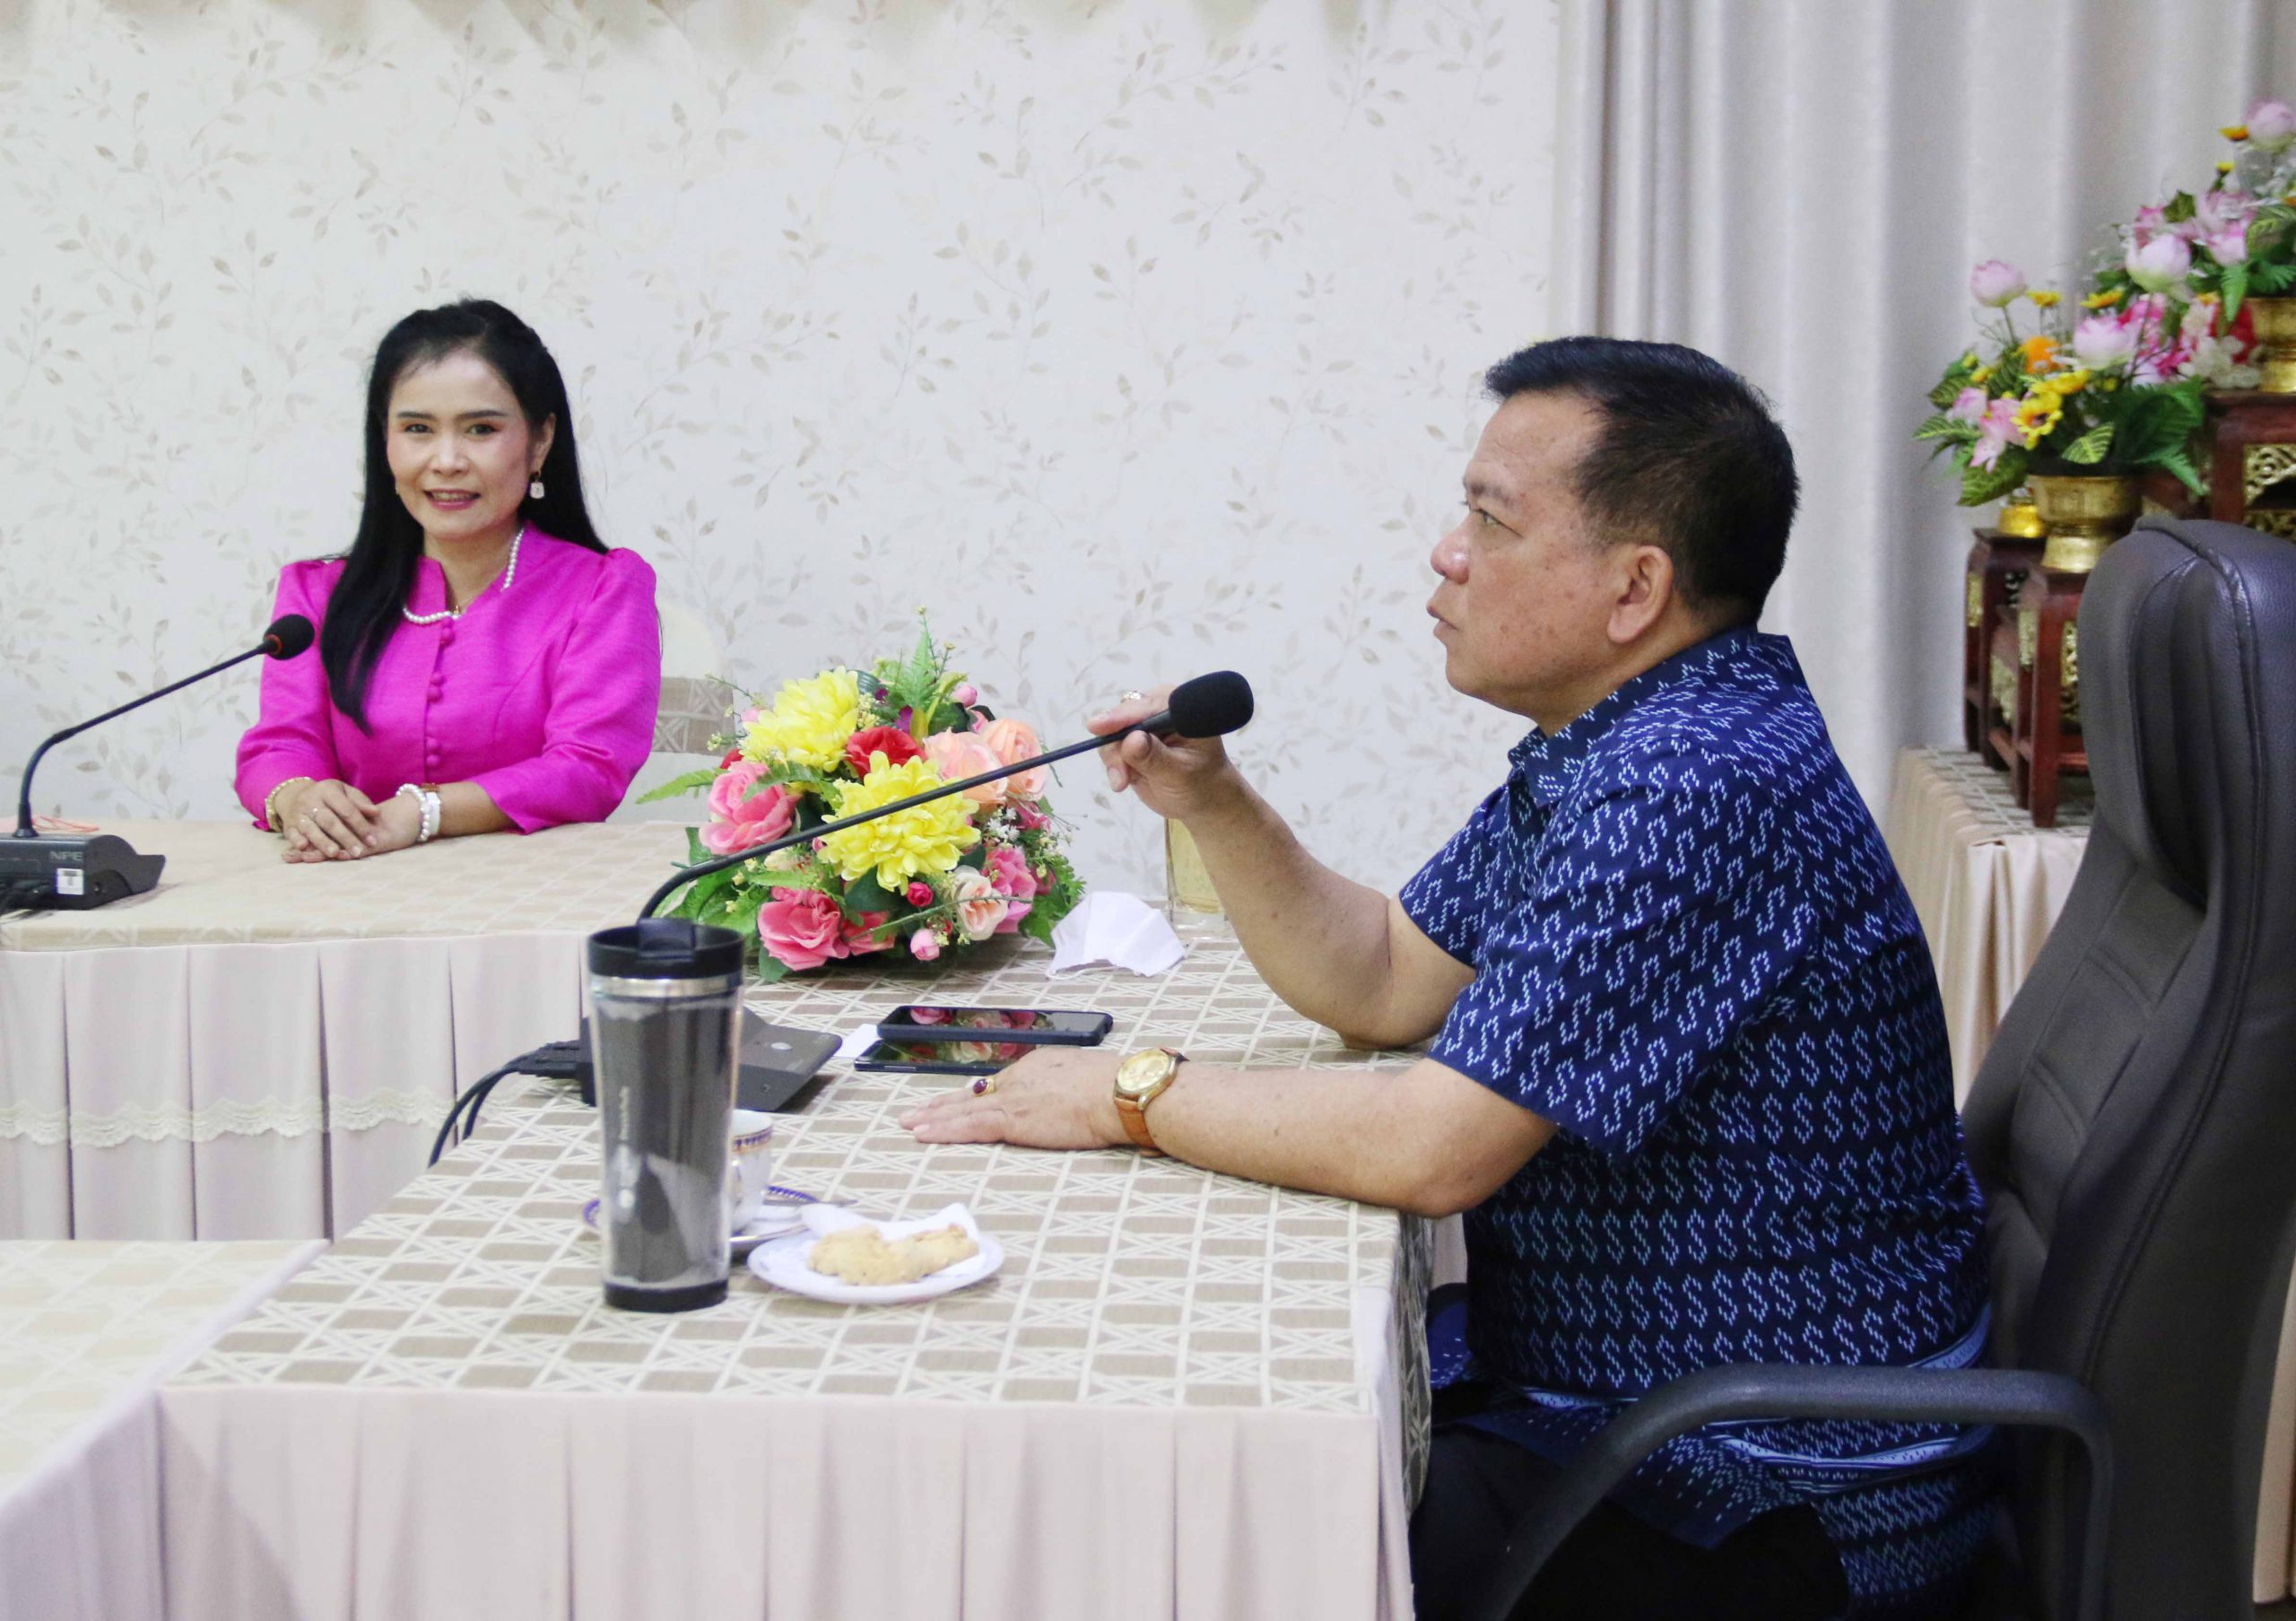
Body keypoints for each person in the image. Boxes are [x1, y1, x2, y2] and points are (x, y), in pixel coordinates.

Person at [902, 338, 1996, 1619]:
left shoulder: (1691, 783)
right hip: (1626, 1403)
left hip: (1766, 1484)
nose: (1447, 552)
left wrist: (1125, 1093)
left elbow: (1435, 1149)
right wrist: (1212, 799)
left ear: (1635, 586)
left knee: (1199, 1533)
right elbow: (1383, 976)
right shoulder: (1629, 737)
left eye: (1491, 518)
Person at [235, 300, 659, 861]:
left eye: (481, 429)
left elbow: (589, 767)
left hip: (531, 888)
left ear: (540, 440)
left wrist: (422, 813)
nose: (447, 460)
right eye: (417, 429)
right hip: (343, 887)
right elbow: (281, 744)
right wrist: (298, 798)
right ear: (385, 440)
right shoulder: (317, 595)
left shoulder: (604, 588)